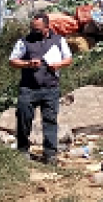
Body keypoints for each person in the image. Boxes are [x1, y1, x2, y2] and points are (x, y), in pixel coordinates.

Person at [9, 13, 73, 165]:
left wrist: (58, 65)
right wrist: (27, 64)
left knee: (50, 120)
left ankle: (50, 154)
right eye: (32, 28)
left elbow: (68, 58)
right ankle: (23, 149)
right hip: (28, 88)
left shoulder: (59, 40)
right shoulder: (24, 41)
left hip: (51, 87)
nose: (34, 31)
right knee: (24, 119)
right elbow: (12, 60)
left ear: (47, 27)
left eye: (37, 29)